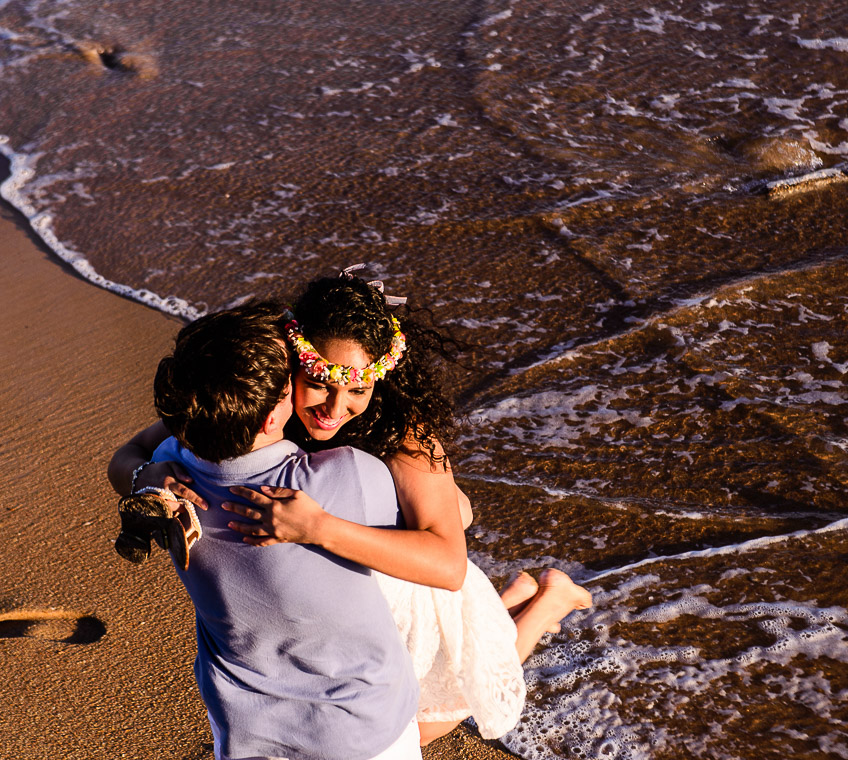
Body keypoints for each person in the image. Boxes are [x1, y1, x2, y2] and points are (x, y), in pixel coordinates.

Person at [110, 271, 592, 746]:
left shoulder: (407, 436)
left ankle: (551, 598)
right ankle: (521, 594)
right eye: (320, 382)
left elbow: (447, 565)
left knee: (441, 707)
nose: (334, 408)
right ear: (290, 363)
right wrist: (145, 475)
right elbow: (130, 455)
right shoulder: (256, 401)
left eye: (358, 390)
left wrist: (318, 527)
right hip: (332, 598)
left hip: (405, 577)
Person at [117, 301, 424, 760]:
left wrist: (144, 476)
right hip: (361, 730)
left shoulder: (172, 466)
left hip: (247, 733)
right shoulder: (348, 474)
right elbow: (437, 534)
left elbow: (129, 455)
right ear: (271, 416)